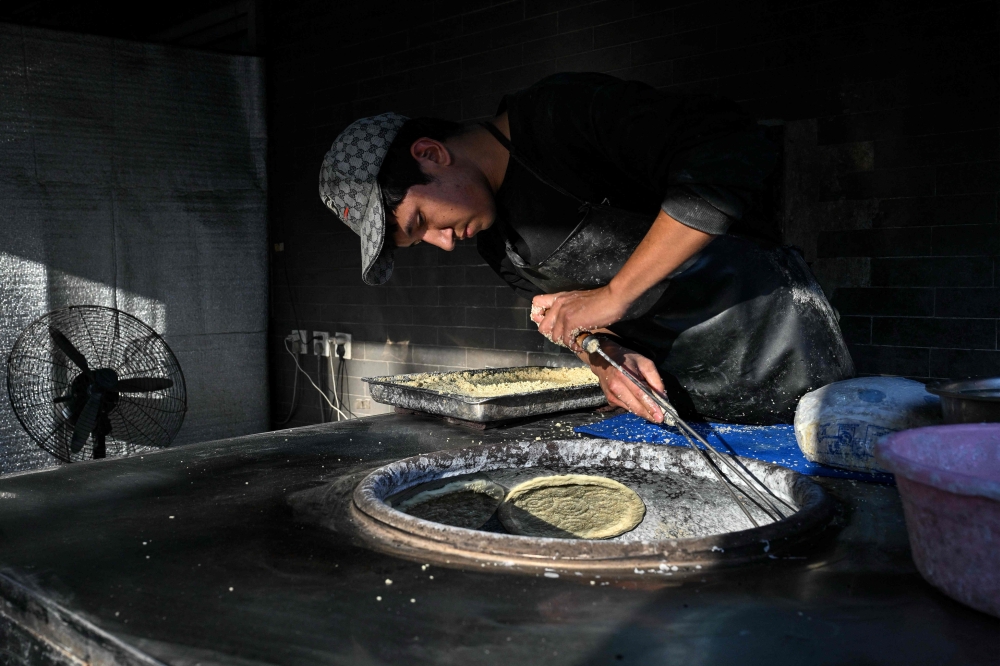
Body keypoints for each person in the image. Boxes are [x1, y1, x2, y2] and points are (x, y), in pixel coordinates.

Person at [319, 72, 854, 425]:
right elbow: (576, 321)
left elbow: (729, 151)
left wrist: (617, 294)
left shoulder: (561, 116)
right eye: (421, 241)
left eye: (422, 221)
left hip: (781, 353)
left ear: (431, 153)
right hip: (674, 401)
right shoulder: (498, 246)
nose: (442, 243)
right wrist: (606, 358)